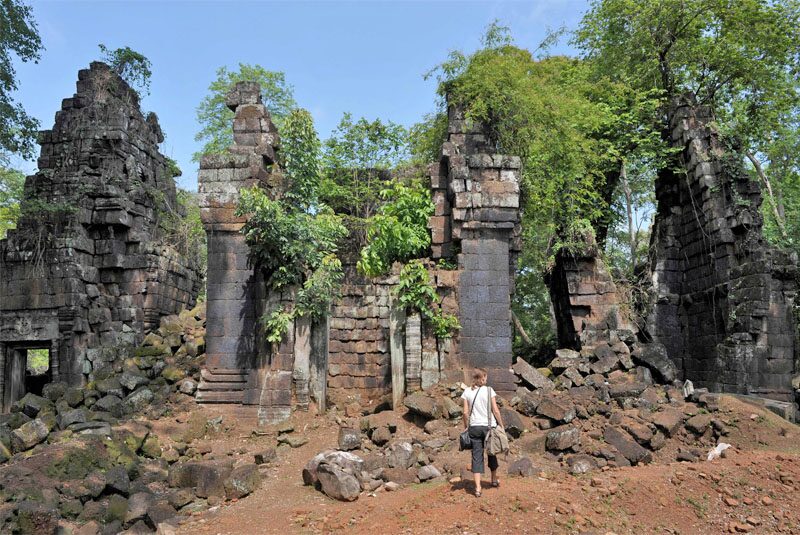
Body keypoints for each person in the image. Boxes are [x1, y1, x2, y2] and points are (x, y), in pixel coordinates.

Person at [461, 368, 504, 497]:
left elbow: (464, 412)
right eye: (485, 377)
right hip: (488, 427)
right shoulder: (489, 390)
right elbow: (495, 411)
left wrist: (466, 426)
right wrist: (501, 425)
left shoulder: (467, 391)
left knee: (476, 456)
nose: (486, 379)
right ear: (481, 378)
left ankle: (478, 488)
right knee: (492, 452)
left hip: (474, 427)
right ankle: (494, 479)